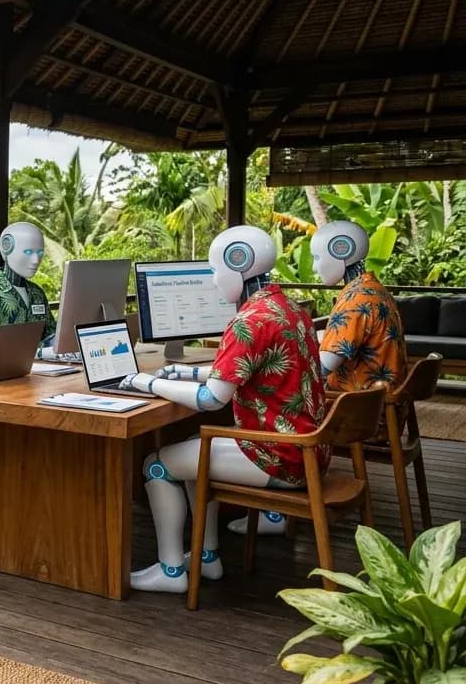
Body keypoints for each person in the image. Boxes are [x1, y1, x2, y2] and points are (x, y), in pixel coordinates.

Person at [119, 225, 327, 593]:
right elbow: (246, 370)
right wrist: (184, 372)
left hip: (277, 456)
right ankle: (205, 558)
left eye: (216, 270)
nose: (214, 281)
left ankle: (171, 571)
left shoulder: (248, 321)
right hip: (305, 449)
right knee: (194, 454)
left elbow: (211, 399)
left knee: (156, 464)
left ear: (239, 264)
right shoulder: (288, 309)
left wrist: (145, 382)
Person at [230, 220, 406, 536]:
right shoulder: (371, 290)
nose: (314, 265)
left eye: (317, 256)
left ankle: (275, 512)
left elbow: (319, 367)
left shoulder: (355, 302)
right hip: (378, 410)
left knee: (274, 402)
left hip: (359, 418)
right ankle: (273, 510)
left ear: (342, 252)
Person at [0, 222, 56, 356]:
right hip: (2, 374)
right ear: (6, 248)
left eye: (40, 252)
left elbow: (51, 335)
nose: (35, 260)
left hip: (44, 372)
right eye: (28, 252)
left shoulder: (37, 293)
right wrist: (41, 354)